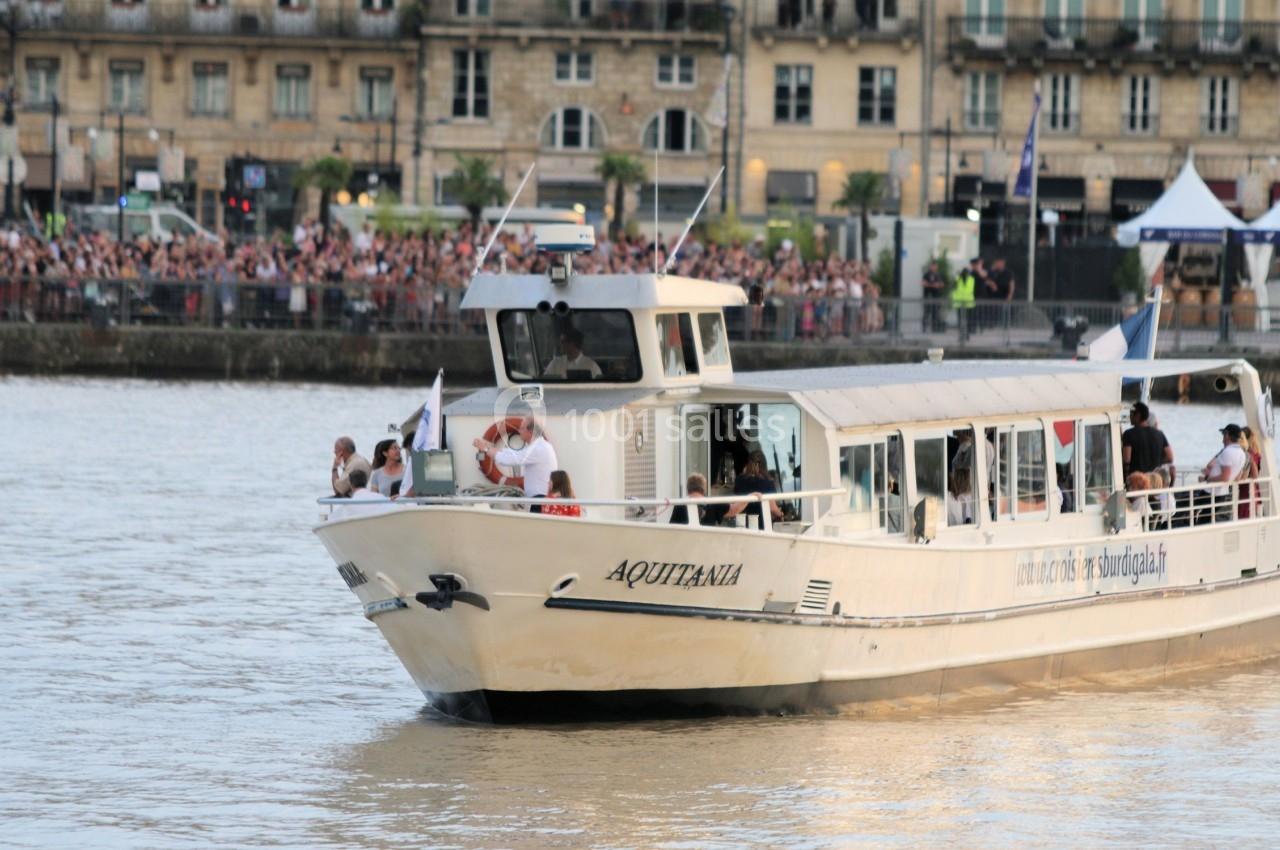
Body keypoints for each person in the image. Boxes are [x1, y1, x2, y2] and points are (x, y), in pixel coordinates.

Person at [473, 416, 559, 512]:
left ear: (530, 431)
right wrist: (488, 447)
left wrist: (485, 449)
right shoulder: (539, 446)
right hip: (540, 499)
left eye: (522, 428)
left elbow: (508, 460)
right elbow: (511, 454)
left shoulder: (537, 449)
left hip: (540, 500)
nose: (519, 431)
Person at [1196, 423, 1249, 520]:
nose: (1222, 439)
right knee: (1204, 519)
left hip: (1212, 493)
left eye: (1223, 435)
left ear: (1227, 435)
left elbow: (1225, 477)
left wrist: (1208, 478)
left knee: (1186, 509)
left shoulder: (1227, 452)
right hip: (1222, 493)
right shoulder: (1242, 454)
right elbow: (1236, 478)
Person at [723, 451, 784, 526]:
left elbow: (736, 501)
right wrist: (780, 514)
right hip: (762, 523)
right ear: (764, 465)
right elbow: (773, 508)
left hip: (742, 522)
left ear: (748, 463)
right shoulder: (767, 482)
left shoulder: (739, 480)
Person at [1121, 401, 1174, 476]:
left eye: (1131, 413)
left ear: (1138, 415)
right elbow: (1170, 458)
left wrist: (1125, 475)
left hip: (1137, 480)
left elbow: (1127, 460)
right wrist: (1157, 461)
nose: (1129, 416)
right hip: (1155, 480)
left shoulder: (1129, 434)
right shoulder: (1160, 434)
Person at [951, 260, 976, 341]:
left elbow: (953, 288)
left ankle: (962, 335)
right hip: (968, 303)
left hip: (959, 303)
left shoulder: (957, 278)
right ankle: (966, 335)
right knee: (966, 321)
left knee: (961, 321)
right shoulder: (971, 279)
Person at [921, 259, 945, 332]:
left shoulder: (939, 274)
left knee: (936, 312)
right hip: (928, 296)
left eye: (935, 266)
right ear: (930, 266)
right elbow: (923, 283)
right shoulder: (926, 274)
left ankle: (935, 327)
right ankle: (924, 327)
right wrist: (932, 285)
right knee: (927, 312)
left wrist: (938, 285)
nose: (933, 267)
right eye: (932, 266)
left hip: (936, 297)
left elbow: (942, 284)